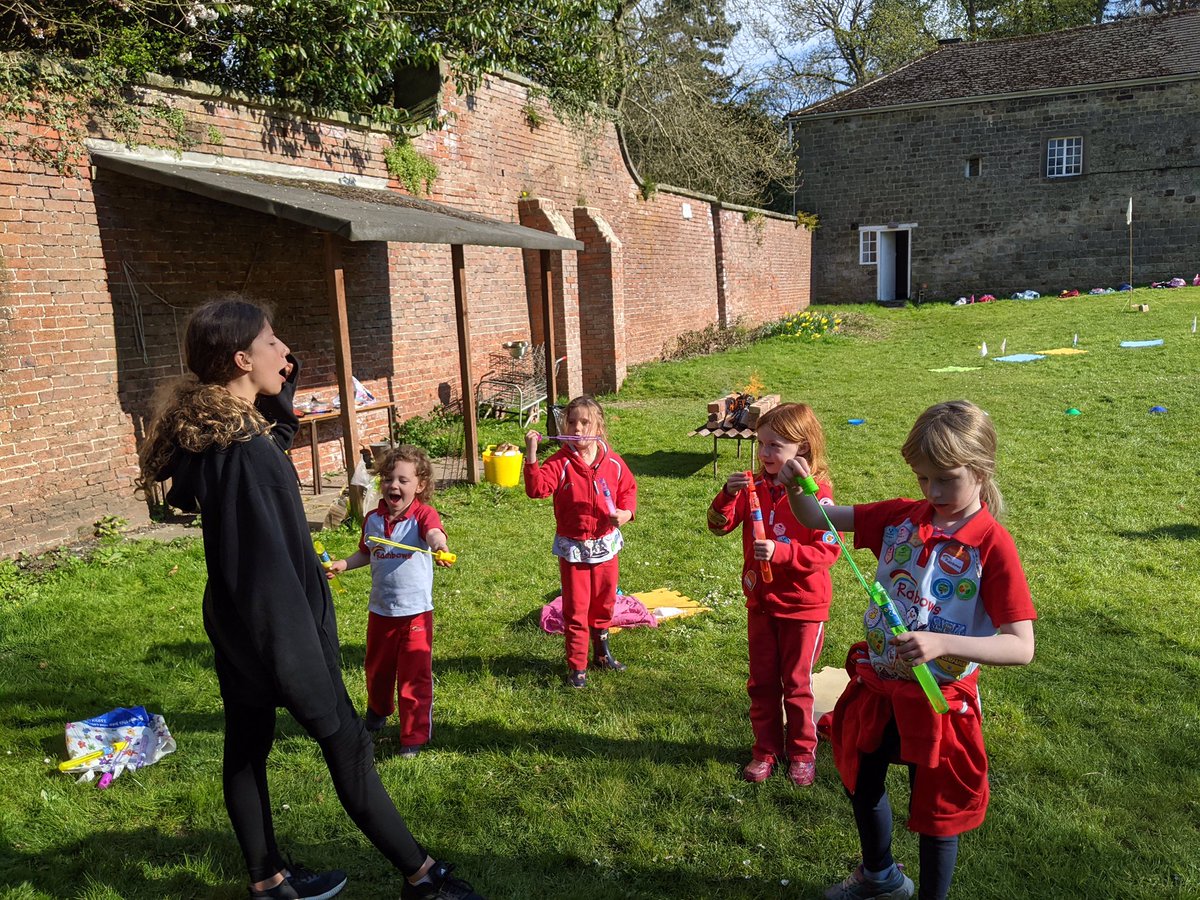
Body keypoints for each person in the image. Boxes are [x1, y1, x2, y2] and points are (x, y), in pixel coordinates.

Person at [136, 299, 483, 900]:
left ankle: (268, 880)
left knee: (247, 742)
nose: (285, 352)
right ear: (242, 359)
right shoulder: (245, 454)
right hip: (276, 625)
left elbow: (271, 449)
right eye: (273, 343)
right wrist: (297, 659)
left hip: (238, 623)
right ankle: (423, 877)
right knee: (345, 740)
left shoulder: (220, 436)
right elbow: (267, 566)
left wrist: (279, 395)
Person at [780, 400, 1036, 900]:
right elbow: (817, 516)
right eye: (923, 478)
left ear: (981, 471)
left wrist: (942, 642)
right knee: (861, 777)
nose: (933, 492)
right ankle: (879, 876)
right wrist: (796, 482)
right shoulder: (900, 517)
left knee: (937, 810)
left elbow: (1020, 646)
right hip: (880, 687)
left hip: (939, 704)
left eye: (946, 479)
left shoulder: (992, 546)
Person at [707, 403, 841, 787]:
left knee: (796, 683)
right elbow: (719, 527)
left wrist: (782, 553)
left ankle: (801, 751)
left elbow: (828, 550)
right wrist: (725, 496)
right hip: (761, 602)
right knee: (762, 681)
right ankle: (766, 749)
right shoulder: (752, 488)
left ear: (802, 449)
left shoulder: (818, 495)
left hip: (803, 607)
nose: (764, 454)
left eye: (775, 446)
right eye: (761, 444)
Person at [326, 446, 451, 757]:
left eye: (403, 480)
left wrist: (440, 547)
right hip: (381, 610)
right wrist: (344, 563)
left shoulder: (423, 514)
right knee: (377, 669)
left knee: (414, 675)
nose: (394, 486)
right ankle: (378, 711)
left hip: (416, 614)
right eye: (388, 479)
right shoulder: (373, 519)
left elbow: (434, 533)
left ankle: (414, 735)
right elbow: (367, 553)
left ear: (420, 485)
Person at [524, 395, 637, 688]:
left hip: (605, 545)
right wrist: (532, 455)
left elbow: (628, 488)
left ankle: (601, 653)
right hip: (574, 547)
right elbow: (537, 489)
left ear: (598, 427)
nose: (577, 428)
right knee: (576, 608)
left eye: (585, 422)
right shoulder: (560, 461)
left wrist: (626, 513)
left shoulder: (611, 460)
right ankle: (577, 667)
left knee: (604, 602)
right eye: (571, 422)